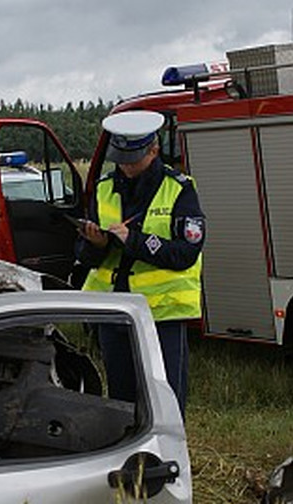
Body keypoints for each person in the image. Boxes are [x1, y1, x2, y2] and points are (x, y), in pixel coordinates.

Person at [76, 110, 204, 415]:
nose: (126, 166)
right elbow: (83, 254)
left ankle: (167, 459)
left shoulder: (180, 189)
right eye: (121, 158)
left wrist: (134, 241)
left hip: (162, 314)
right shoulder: (104, 188)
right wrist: (96, 244)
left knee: (166, 399)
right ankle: (129, 459)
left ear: (154, 150)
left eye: (133, 159)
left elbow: (186, 252)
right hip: (114, 312)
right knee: (122, 402)